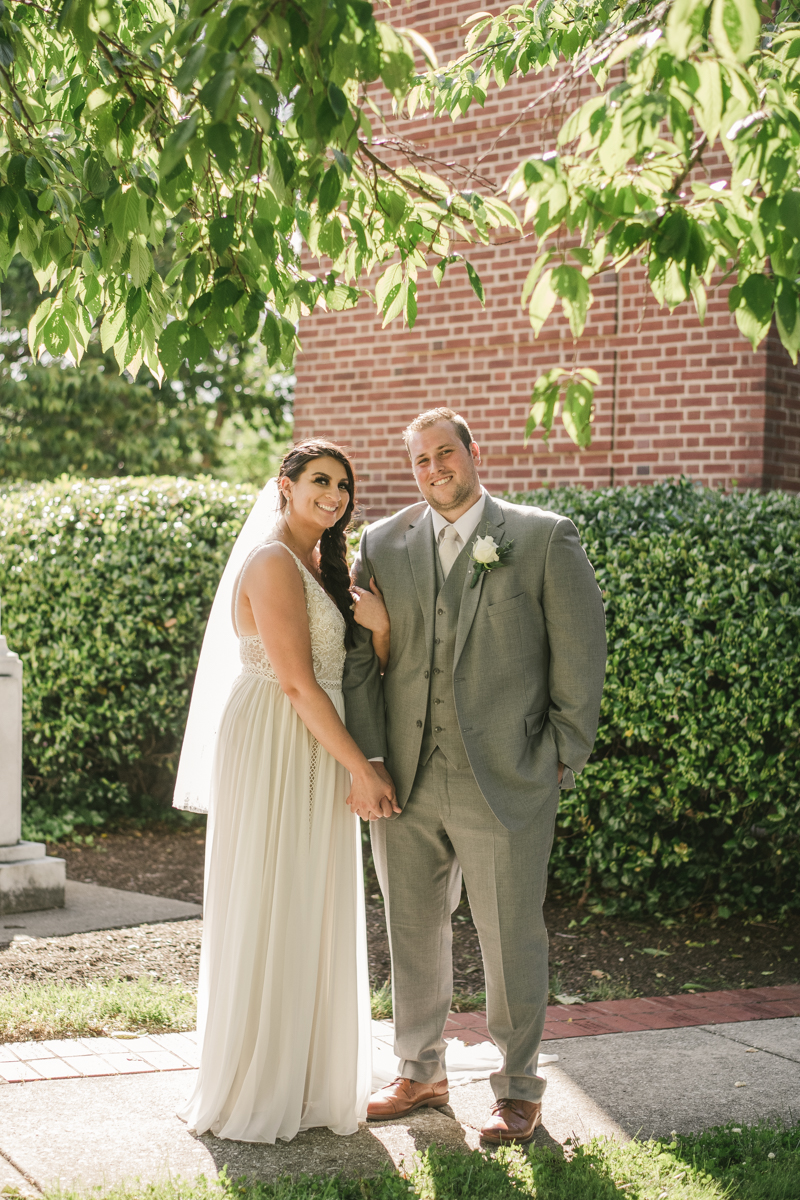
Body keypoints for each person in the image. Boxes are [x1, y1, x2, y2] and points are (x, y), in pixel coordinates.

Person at [346, 408, 607, 1145]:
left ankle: (519, 1088)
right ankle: (419, 1071)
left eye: (445, 454)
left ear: (473, 452)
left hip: (507, 777)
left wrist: (564, 749)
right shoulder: (382, 543)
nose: (434, 470)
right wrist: (370, 759)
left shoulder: (541, 536)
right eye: (421, 460)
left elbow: (581, 651)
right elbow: (364, 657)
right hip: (406, 778)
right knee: (410, 928)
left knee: (511, 934)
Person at [173, 440, 397, 1144]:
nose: (334, 494)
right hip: (276, 733)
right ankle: (259, 1083)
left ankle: (304, 1077)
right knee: (272, 896)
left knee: (311, 899)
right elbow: (298, 683)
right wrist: (362, 767)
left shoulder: (325, 568)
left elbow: (357, 672)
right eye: (320, 482)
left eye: (343, 485)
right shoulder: (272, 561)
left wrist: (383, 629)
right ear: (286, 486)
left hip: (316, 733)